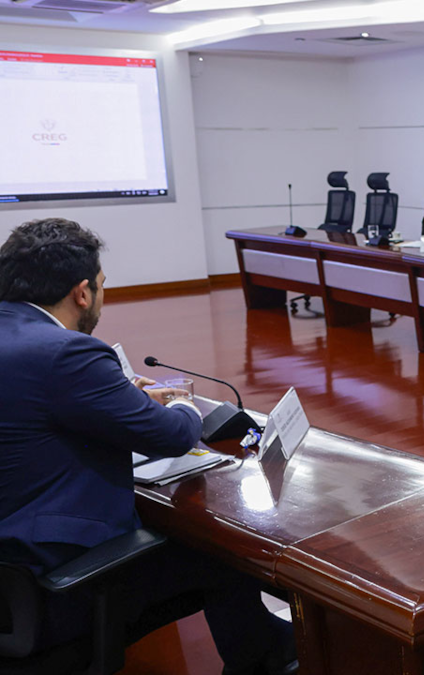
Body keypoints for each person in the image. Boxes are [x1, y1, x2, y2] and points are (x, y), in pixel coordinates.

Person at [0, 218, 297, 675]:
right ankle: (266, 660)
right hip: (52, 588)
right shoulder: (65, 353)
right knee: (222, 551)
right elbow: (173, 435)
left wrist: (120, 398)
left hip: (10, 584)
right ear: (82, 293)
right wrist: (182, 404)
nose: (102, 295)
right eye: (101, 286)